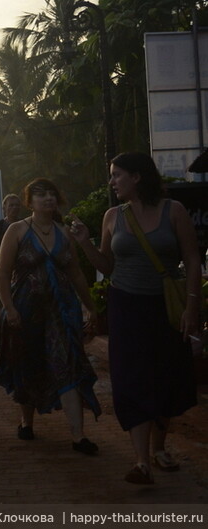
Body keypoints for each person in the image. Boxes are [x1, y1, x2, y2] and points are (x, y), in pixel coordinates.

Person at [70, 152, 199, 485]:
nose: (112, 182)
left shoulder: (175, 211)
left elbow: (193, 261)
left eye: (117, 175)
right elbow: (108, 267)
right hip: (126, 308)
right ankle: (141, 461)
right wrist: (85, 244)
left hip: (165, 308)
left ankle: (159, 448)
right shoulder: (113, 216)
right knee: (131, 380)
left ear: (137, 176)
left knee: (166, 377)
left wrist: (192, 306)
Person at [0, 178, 101, 454]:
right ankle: (25, 422)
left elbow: (75, 272)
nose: (48, 199)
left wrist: (90, 306)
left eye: (52, 194)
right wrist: (9, 308)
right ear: (30, 202)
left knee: (67, 364)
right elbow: (3, 274)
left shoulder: (64, 232)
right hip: (25, 311)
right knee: (28, 365)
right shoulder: (17, 231)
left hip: (61, 311)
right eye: (41, 195)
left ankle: (78, 437)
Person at [0, 193, 22, 258]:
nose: (14, 207)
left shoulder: (26, 225)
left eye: (17, 205)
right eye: (11, 205)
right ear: (4, 207)